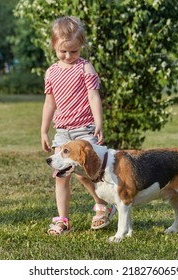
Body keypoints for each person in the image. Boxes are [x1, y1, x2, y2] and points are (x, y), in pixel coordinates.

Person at [41, 16, 116, 235]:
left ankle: (102, 205)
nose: (68, 56)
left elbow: (94, 97)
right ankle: (62, 219)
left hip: (84, 128)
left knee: (86, 171)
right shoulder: (51, 72)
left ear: (81, 46)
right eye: (63, 51)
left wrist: (99, 123)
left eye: (74, 51)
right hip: (63, 130)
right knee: (60, 175)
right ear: (54, 45)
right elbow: (50, 102)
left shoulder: (86, 69)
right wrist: (44, 130)